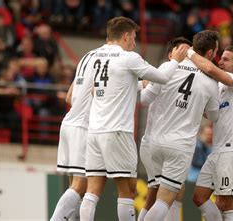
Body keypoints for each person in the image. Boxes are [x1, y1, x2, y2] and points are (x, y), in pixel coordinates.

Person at [79, 16, 188, 221]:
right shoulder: (128, 58)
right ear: (126, 36)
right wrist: (175, 61)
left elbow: (98, 89)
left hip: (94, 131)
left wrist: (137, 85)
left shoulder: (95, 56)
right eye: (134, 38)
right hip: (117, 130)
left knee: (92, 191)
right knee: (128, 190)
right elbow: (162, 77)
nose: (135, 43)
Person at [141, 31, 220, 221]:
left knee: (167, 193)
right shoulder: (210, 81)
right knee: (164, 200)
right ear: (210, 54)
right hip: (179, 145)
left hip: (153, 142)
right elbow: (214, 116)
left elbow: (146, 96)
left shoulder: (169, 68)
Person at [189, 45, 233, 221]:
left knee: (225, 203)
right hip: (217, 151)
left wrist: (190, 53)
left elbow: (209, 68)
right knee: (199, 197)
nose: (220, 61)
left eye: (225, 59)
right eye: (221, 58)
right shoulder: (220, 88)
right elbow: (210, 115)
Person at [137, 37, 193, 221]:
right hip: (154, 142)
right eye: (182, 52)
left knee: (167, 193)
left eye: (189, 53)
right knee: (164, 194)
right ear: (171, 54)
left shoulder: (192, 79)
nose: (187, 56)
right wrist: (144, 82)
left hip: (165, 144)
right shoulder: (161, 72)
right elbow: (143, 97)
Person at [50, 38, 103, 221]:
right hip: (83, 127)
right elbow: (100, 93)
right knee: (80, 186)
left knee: (76, 187)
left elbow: (69, 97)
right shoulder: (107, 60)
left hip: (68, 124)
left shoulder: (86, 57)